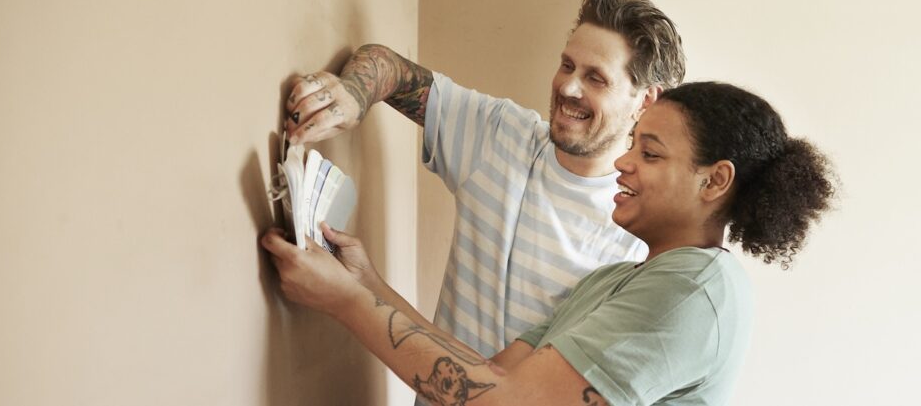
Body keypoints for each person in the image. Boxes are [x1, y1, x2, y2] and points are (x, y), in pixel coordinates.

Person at [262, 81, 837, 405]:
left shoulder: (695, 290)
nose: (624, 163)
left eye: (651, 154)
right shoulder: (618, 281)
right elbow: (487, 374)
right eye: (634, 144)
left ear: (714, 180)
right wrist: (366, 284)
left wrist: (344, 302)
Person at [282, 0, 686, 359]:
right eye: (567, 65)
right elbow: (388, 66)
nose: (569, 88)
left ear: (645, 101)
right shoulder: (500, 134)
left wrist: (354, 294)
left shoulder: (640, 234)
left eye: (595, 77)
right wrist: (353, 93)